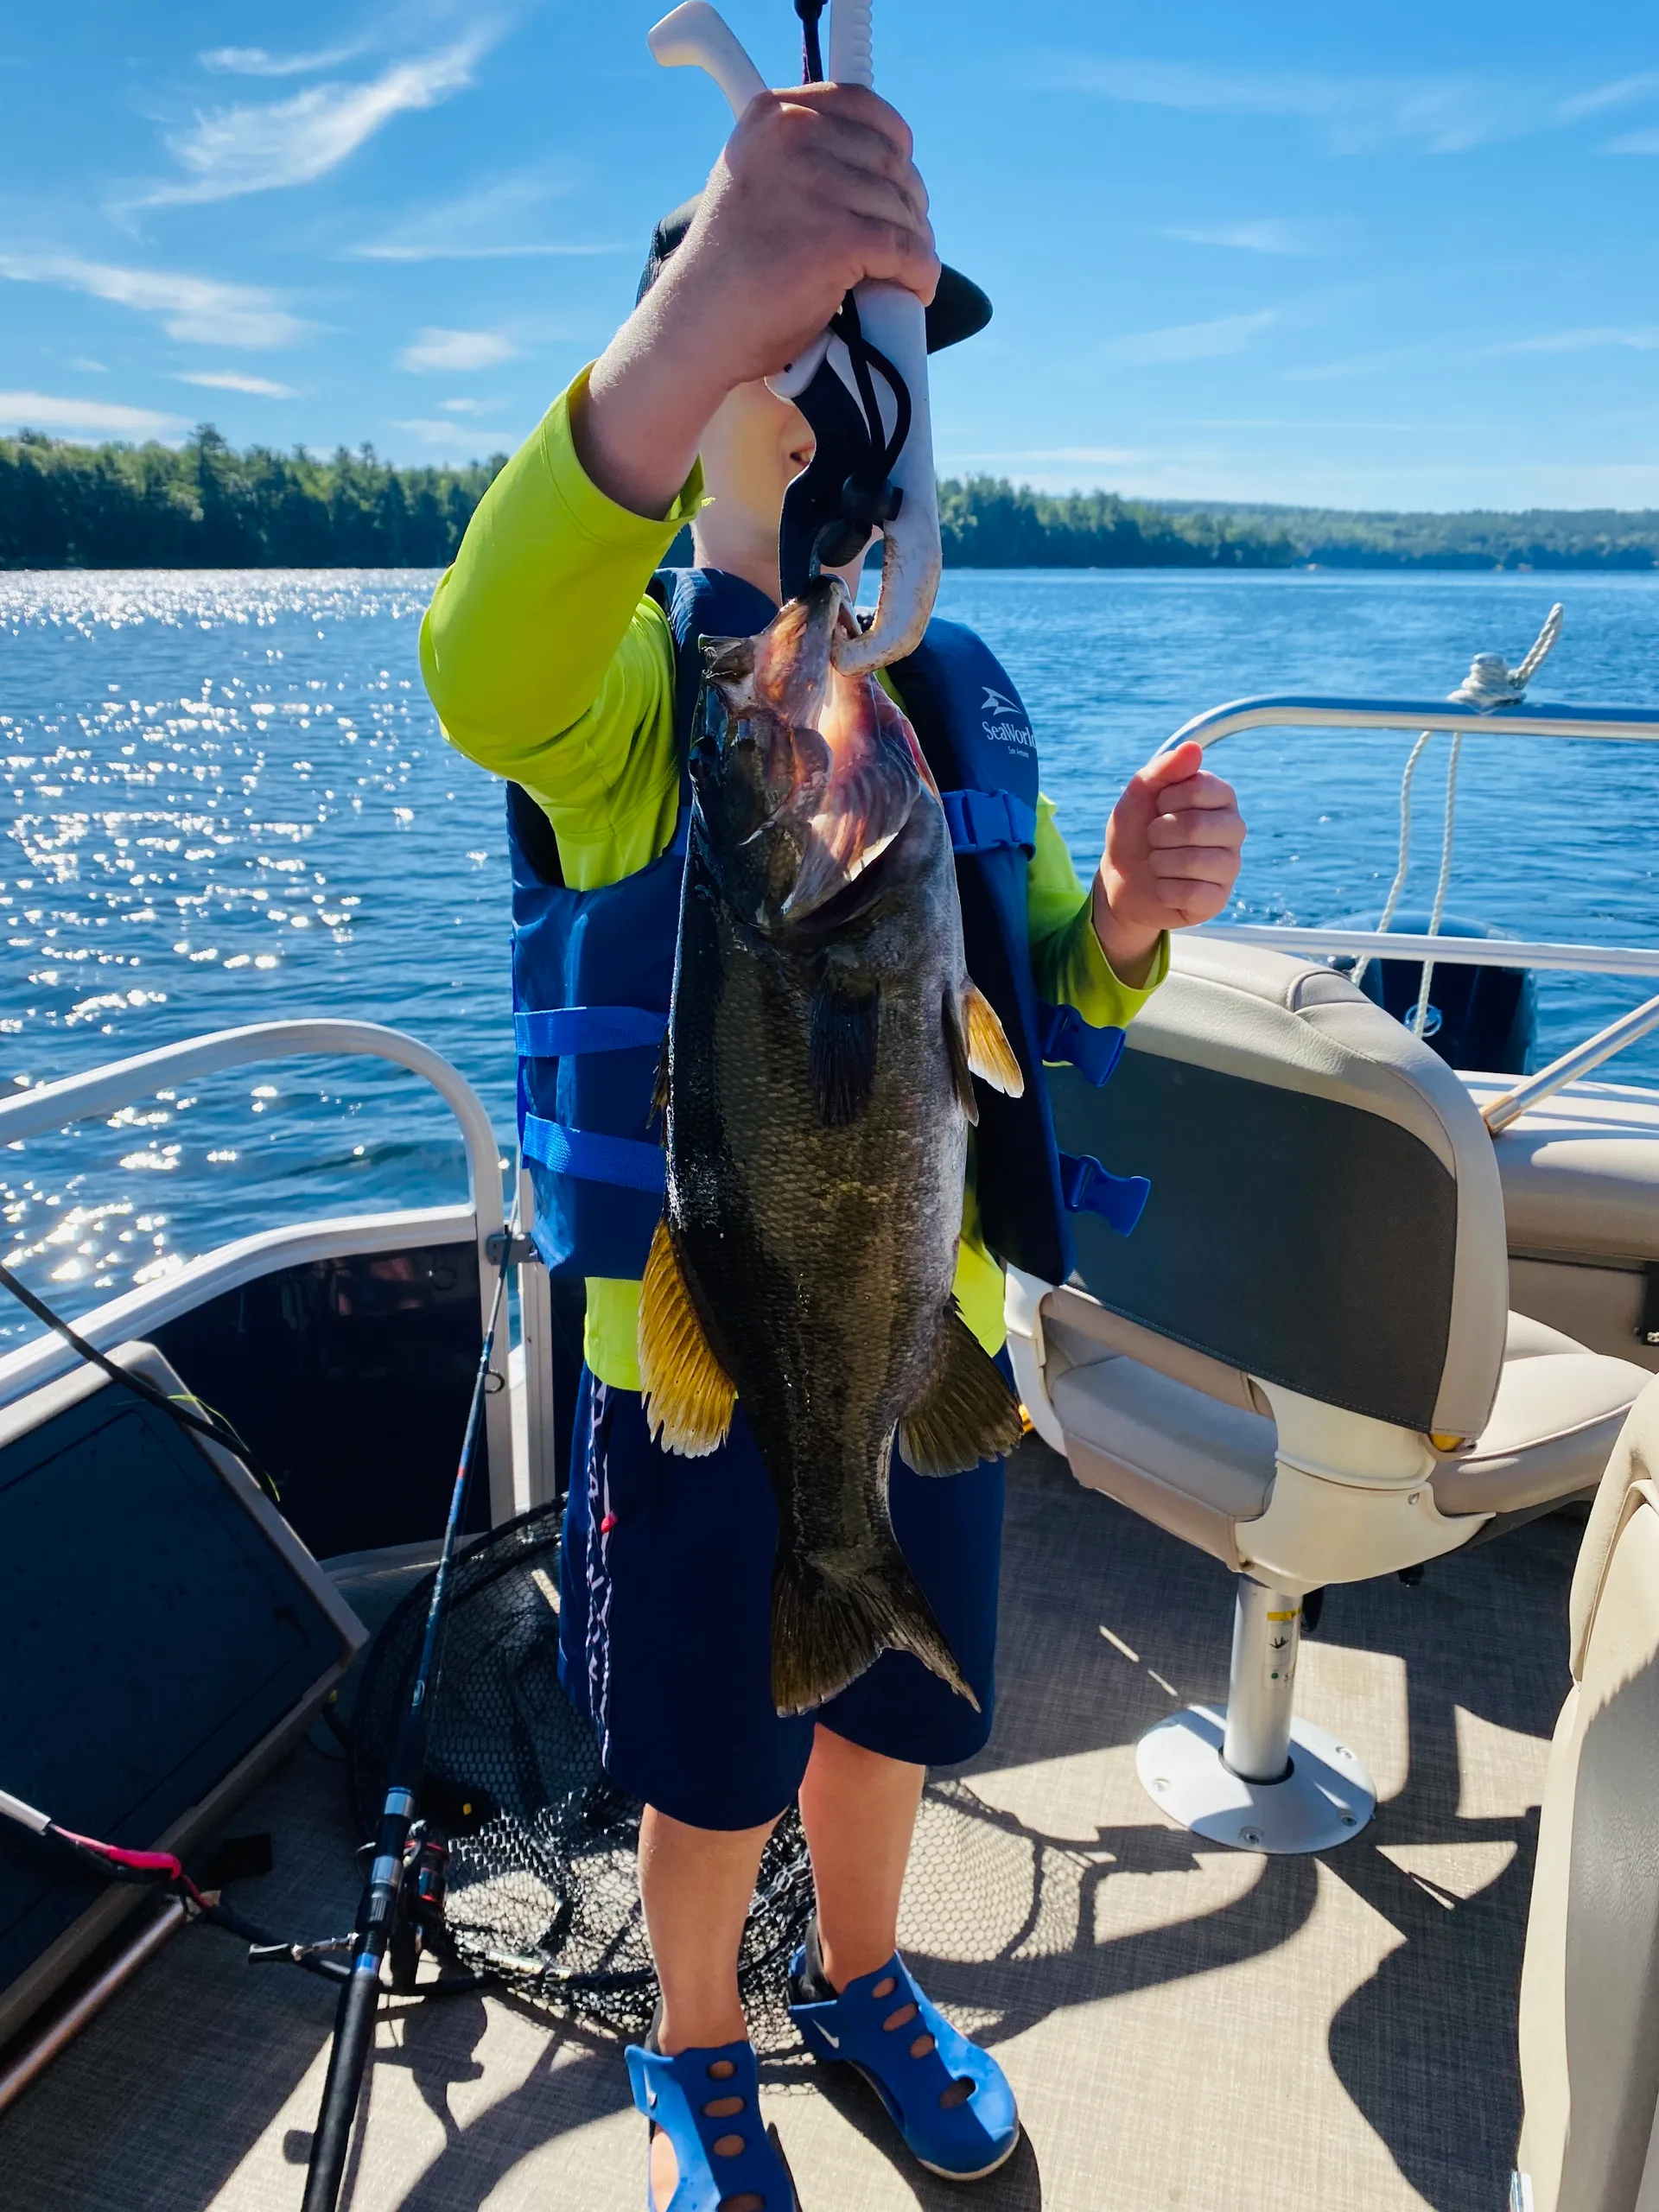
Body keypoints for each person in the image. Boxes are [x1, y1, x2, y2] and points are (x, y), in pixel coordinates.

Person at [422, 77, 1245, 2212]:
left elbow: (1036, 991)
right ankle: (698, 2049)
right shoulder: (635, 701)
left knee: (884, 1709)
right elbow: (477, 656)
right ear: (684, 380)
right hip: (699, 1361)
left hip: (921, 1324)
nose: (821, 396)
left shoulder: (949, 689)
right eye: (769, 350)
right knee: (714, 1762)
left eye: (854, 351)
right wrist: (701, 320)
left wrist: (1133, 918)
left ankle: (864, 1974)